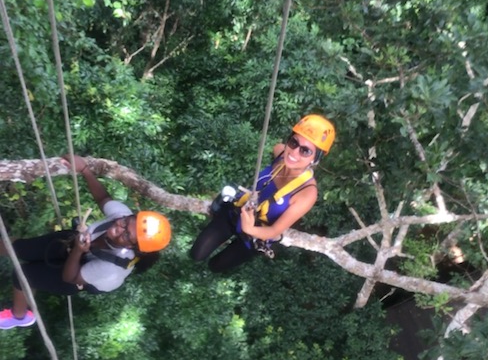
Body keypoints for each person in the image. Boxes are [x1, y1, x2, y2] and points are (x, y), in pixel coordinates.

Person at [0, 155, 172, 330]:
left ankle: (19, 316)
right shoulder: (121, 216)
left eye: (126, 235)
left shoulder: (112, 269)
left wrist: (78, 251)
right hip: (71, 243)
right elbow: (103, 198)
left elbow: (70, 277)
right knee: (17, 247)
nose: (119, 228)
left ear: (131, 247)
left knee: (22, 275)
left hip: (77, 276)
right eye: (125, 222)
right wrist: (84, 170)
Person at [190, 114, 335, 272]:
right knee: (196, 254)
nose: (294, 152)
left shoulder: (307, 194)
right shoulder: (280, 153)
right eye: (293, 142)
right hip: (236, 213)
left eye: (305, 151)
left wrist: (249, 228)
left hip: (255, 236)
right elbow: (278, 148)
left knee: (216, 266)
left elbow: (274, 231)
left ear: (316, 159)